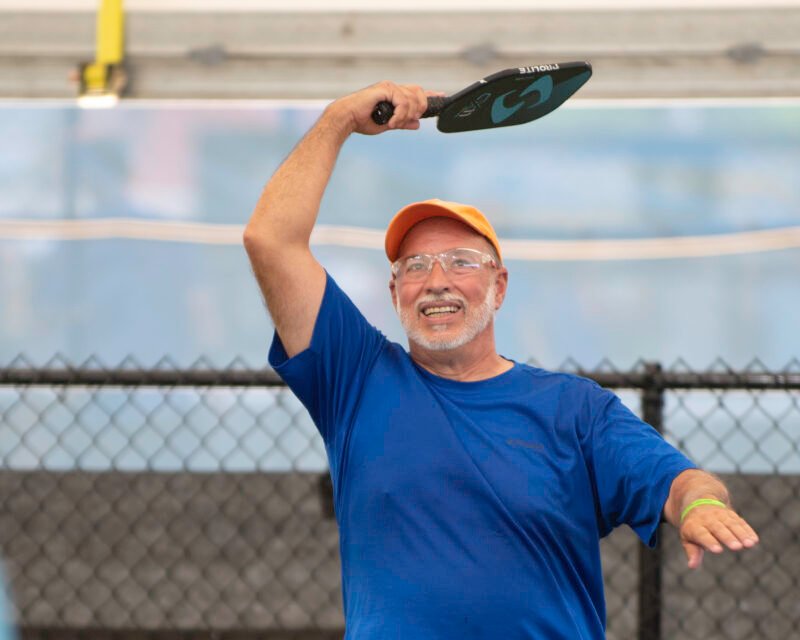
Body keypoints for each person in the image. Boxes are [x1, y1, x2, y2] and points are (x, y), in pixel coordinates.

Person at [243, 82, 759, 639]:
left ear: (500, 285)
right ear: (395, 292)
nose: (436, 281)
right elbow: (270, 239)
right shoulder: (357, 379)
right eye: (415, 267)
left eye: (461, 261)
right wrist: (338, 119)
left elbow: (678, 482)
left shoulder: (575, 410)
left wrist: (701, 503)